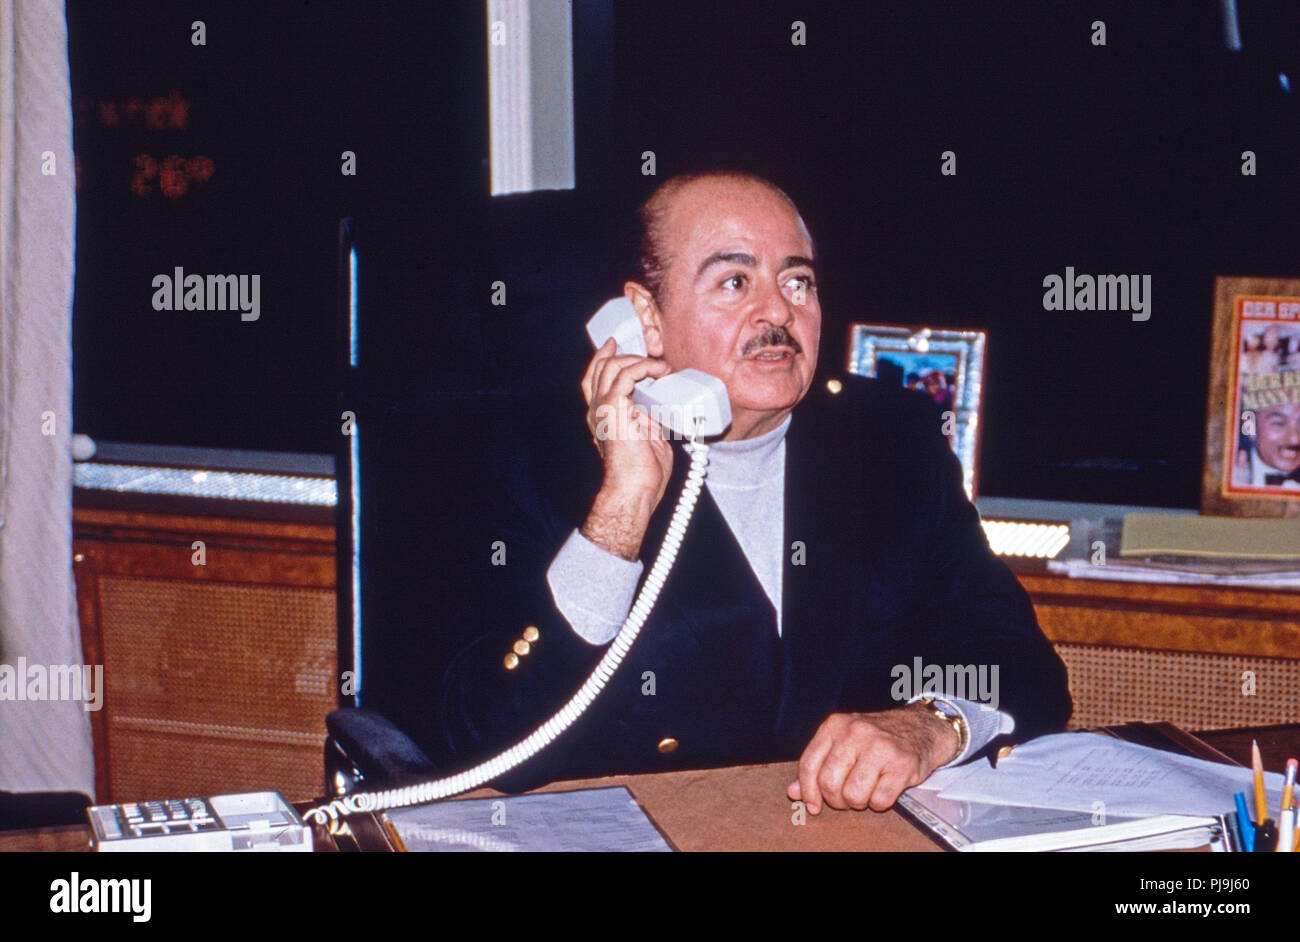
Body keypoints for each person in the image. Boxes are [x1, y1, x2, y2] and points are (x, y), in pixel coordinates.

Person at [440, 172, 1071, 813]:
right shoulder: (532, 464)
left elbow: (1024, 666)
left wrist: (933, 725)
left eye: (797, 281)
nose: (778, 312)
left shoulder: (888, 441)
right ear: (644, 321)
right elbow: (487, 744)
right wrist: (625, 503)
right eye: (735, 282)